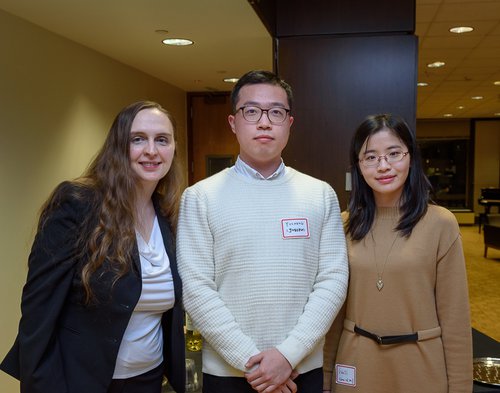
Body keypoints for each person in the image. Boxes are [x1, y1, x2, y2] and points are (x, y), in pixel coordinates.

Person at [176, 70, 349, 393]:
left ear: (289, 123)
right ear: (233, 122)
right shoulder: (200, 197)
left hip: (298, 371)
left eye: (276, 112)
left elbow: (333, 280)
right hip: (226, 374)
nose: (265, 122)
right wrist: (255, 363)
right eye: (251, 111)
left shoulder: (320, 194)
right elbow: (197, 290)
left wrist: (287, 355)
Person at [0, 101, 186, 393]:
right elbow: (39, 309)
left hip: (148, 380)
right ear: (118, 147)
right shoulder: (78, 203)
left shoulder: (169, 215)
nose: (152, 150)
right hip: (80, 380)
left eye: (162, 140)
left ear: (174, 149)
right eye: (138, 139)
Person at [323, 114, 472, 393]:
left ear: (411, 158)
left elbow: (456, 321)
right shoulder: (344, 224)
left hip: (421, 365)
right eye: (370, 157)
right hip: (356, 363)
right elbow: (334, 313)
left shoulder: (441, 223)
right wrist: (326, 376)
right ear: (358, 165)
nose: (383, 166)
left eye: (394, 154)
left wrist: (461, 387)